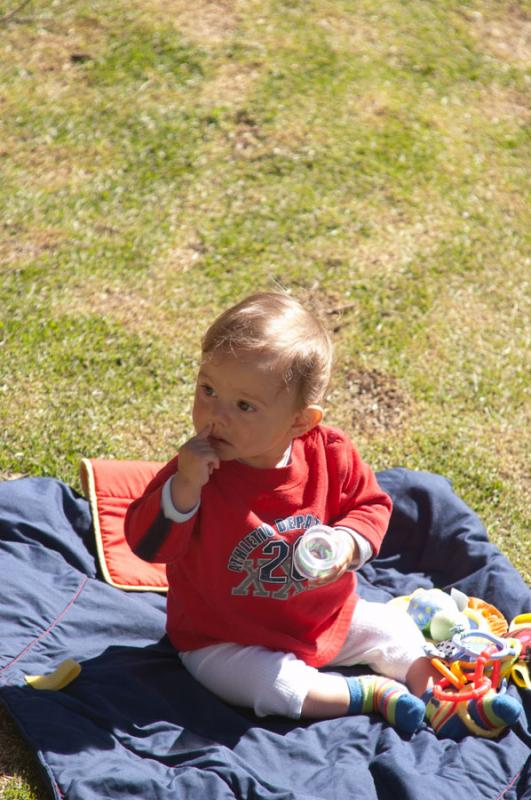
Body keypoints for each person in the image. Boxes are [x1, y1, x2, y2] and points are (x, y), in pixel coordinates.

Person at [125, 292, 521, 738]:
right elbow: (146, 544)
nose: (215, 415)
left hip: (322, 617)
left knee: (393, 627)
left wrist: (348, 543)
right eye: (207, 389)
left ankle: (441, 696)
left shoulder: (328, 454)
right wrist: (184, 489)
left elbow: (370, 505)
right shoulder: (196, 471)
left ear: (300, 422)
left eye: (244, 406)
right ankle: (369, 693)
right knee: (269, 684)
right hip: (222, 635)